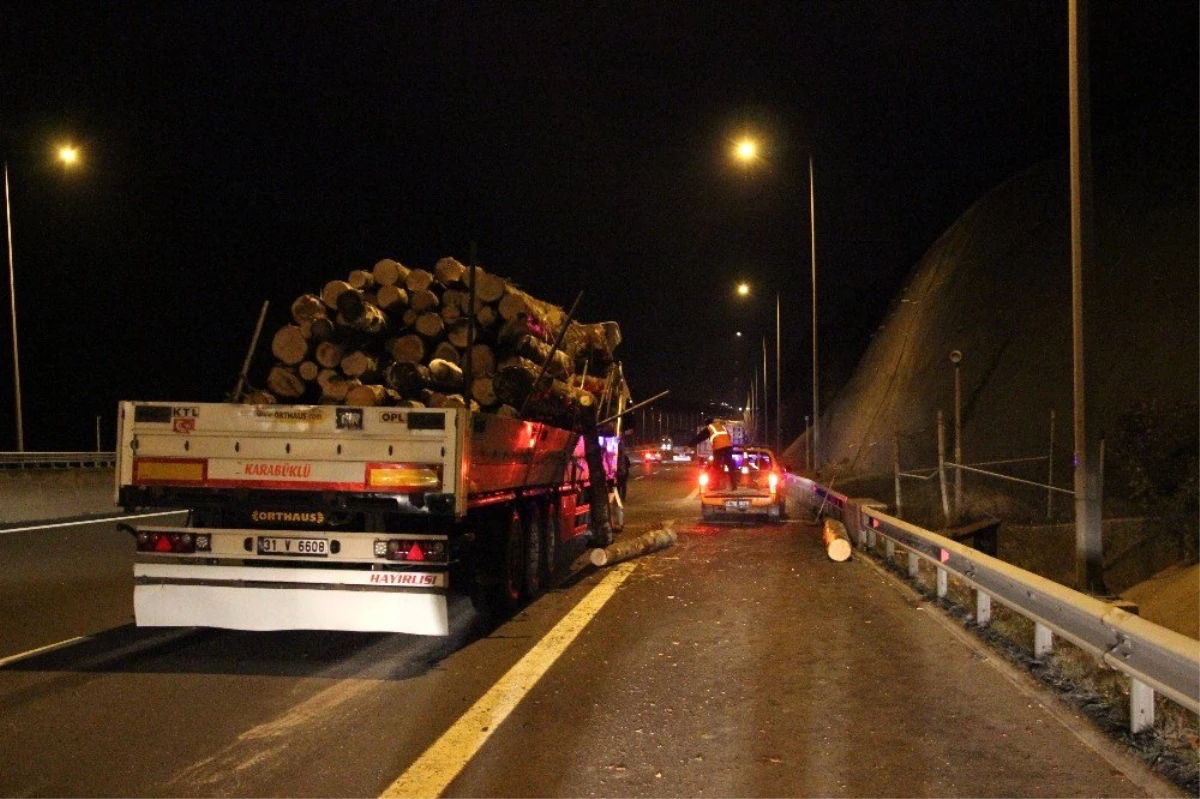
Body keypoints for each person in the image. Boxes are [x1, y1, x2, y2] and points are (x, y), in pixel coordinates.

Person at [693, 418, 736, 489]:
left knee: (716, 467)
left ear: (707, 424)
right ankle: (734, 486)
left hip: (719, 448)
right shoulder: (721, 427)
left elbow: (699, 438)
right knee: (730, 466)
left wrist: (689, 445)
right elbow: (729, 436)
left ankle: (715, 485)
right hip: (728, 447)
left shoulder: (709, 428)